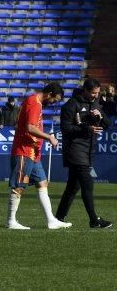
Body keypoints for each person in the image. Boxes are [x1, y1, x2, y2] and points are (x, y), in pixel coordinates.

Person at [6, 83, 71, 230]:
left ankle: (51, 220)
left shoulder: (36, 103)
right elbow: (30, 127)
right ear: (49, 94)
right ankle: (11, 221)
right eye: (54, 99)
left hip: (33, 153)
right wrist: (49, 137)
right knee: (19, 186)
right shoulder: (34, 102)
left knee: (42, 183)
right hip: (24, 150)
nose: (54, 103)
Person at [56, 78, 112, 228]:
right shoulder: (71, 105)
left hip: (88, 151)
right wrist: (87, 129)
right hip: (75, 150)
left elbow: (107, 124)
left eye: (98, 93)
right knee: (87, 182)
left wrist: (100, 117)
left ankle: (59, 217)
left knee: (73, 187)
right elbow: (65, 128)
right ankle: (94, 220)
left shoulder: (96, 104)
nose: (96, 96)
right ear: (85, 91)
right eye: (93, 93)